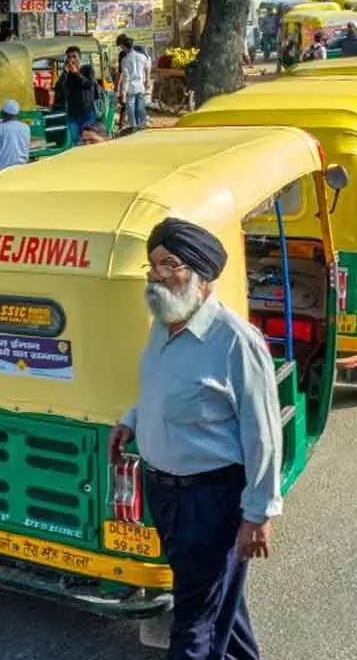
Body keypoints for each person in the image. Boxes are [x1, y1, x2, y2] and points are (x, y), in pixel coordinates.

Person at [108, 216, 282, 660]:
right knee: (219, 601)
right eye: (152, 265)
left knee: (193, 624)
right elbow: (159, 390)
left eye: (169, 264)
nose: (156, 276)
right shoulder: (162, 322)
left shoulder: (235, 342)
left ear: (200, 276)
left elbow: (263, 433)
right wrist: (131, 420)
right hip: (164, 493)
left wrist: (257, 515)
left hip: (212, 501)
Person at [53, 46, 98, 144]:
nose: (72, 59)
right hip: (72, 114)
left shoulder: (87, 69)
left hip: (88, 113)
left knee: (89, 141)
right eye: (69, 57)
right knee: (75, 141)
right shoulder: (67, 73)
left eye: (74, 56)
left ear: (79, 58)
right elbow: (59, 87)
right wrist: (65, 72)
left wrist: (76, 73)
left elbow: (88, 84)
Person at [121, 37, 152, 130]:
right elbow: (148, 66)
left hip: (130, 87)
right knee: (140, 108)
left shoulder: (125, 60)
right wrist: (147, 79)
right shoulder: (142, 56)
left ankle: (133, 127)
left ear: (124, 47)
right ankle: (142, 126)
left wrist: (123, 92)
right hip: (140, 86)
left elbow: (126, 77)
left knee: (131, 108)